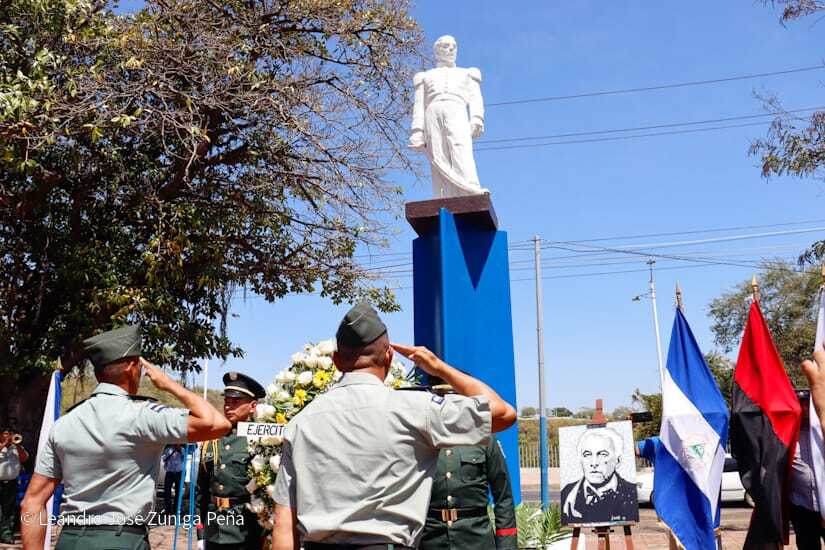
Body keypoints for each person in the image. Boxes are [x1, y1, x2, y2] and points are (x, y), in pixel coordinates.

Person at [270, 302, 517, 550]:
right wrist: (438, 367)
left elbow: (283, 522)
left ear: (336, 360)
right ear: (388, 356)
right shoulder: (415, 409)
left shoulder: (301, 422)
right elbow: (503, 413)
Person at [20, 324, 230, 550]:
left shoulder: (64, 424)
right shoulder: (143, 417)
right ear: (132, 367)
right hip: (122, 540)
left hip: (71, 539)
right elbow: (218, 424)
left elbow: (32, 502)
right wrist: (168, 384)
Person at [408, 35, 487, 198]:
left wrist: (477, 118)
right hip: (433, 111)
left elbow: (475, 97)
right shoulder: (425, 76)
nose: (450, 49)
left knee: (460, 146)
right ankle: (441, 194)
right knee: (437, 152)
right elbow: (419, 104)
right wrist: (417, 131)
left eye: (453, 46)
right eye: (445, 46)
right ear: (437, 51)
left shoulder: (467, 73)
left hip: (456, 109)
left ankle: (470, 187)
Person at [198, 372, 265, 550]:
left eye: (235, 402)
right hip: (213, 529)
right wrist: (200, 532)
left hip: (245, 530)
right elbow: (201, 491)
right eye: (226, 401)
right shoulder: (212, 439)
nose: (228, 407)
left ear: (252, 406)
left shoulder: (261, 442)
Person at [419, 434, 517, 550]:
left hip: (477, 540)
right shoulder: (421, 439)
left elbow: (503, 497)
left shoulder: (484, 437)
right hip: (431, 540)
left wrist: (506, 545)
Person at [560, 427, 637, 525]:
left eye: (602, 454)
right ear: (581, 460)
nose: (594, 463)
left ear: (618, 461)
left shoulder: (631, 493)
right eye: (587, 454)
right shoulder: (567, 494)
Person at [789, 389, 825, 549]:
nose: (803, 410)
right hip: (802, 508)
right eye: (799, 405)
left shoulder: (822, 433)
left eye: (807, 405)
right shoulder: (787, 438)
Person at [0, 422, 28, 544]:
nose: (9, 436)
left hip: (11, 483)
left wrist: (17, 446)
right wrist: (4, 444)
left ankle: (6, 535)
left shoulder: (16, 447)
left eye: (10, 434)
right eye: (6, 433)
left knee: (9, 511)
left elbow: (24, 458)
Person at [162, 444, 184, 515]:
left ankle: (176, 509)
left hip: (178, 472)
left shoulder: (182, 449)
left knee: (178, 492)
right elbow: (163, 458)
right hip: (170, 472)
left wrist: (179, 450)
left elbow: (184, 458)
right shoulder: (168, 449)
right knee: (167, 492)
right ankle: (168, 510)